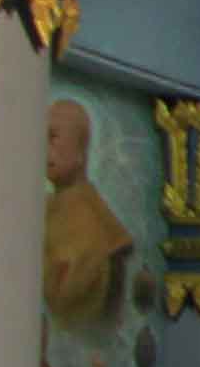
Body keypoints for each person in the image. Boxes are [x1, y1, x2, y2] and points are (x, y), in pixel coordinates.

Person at [40, 99, 134, 324]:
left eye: (53, 137)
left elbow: (64, 303)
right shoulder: (47, 204)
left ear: (80, 151)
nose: (44, 148)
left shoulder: (89, 220)